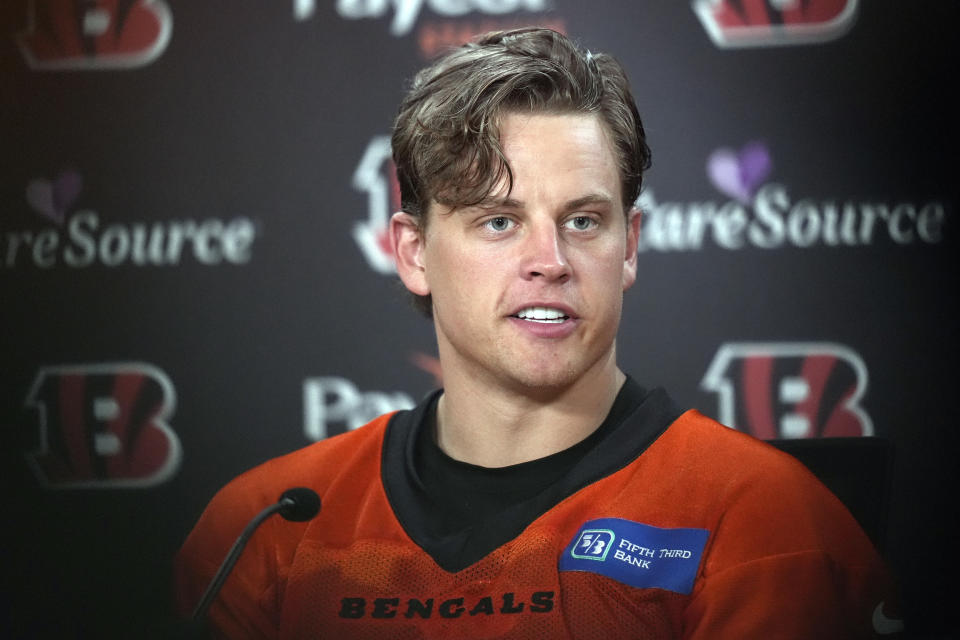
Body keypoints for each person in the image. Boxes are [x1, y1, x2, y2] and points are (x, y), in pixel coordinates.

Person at [175, 28, 901, 639]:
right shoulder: (270, 529)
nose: (549, 262)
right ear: (413, 253)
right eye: (499, 221)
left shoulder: (765, 525)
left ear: (630, 247)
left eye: (583, 221)